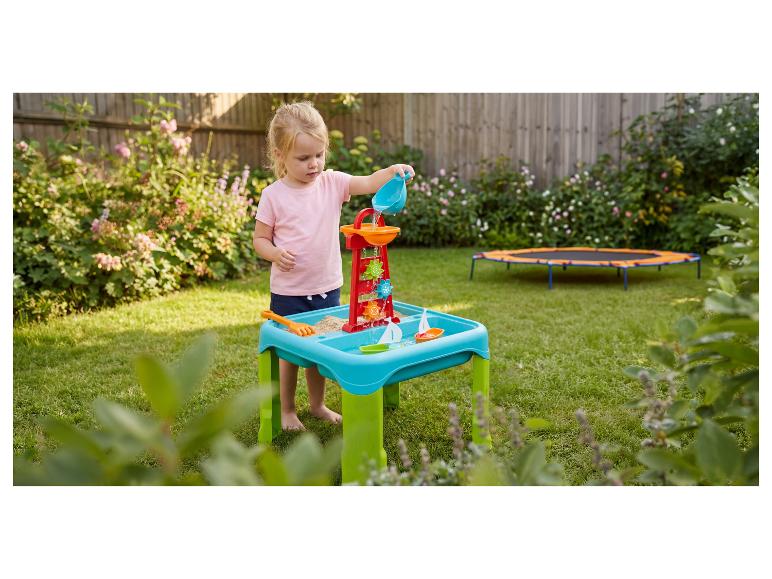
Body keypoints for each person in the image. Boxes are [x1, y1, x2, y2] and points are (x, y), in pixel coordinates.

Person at [253, 101, 414, 431]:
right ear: (280, 155)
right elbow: (259, 240)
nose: (313, 164)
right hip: (290, 291)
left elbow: (369, 182)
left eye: (318, 155)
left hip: (326, 286)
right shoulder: (273, 195)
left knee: (321, 349)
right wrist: (273, 254)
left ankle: (317, 405)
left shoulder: (333, 183)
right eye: (303, 158)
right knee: (290, 354)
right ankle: (286, 410)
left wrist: (392, 171)